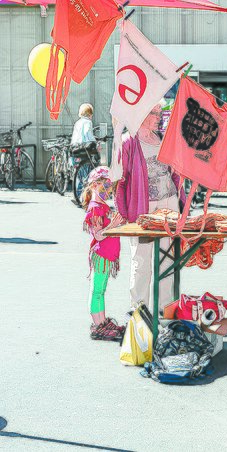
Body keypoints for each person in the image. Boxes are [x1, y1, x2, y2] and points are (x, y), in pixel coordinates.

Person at [115, 103, 186, 311]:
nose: (158, 117)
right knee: (142, 257)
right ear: (143, 114)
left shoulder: (163, 140)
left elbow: (174, 174)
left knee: (168, 256)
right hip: (143, 208)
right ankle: (139, 306)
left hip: (169, 203)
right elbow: (121, 180)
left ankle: (167, 306)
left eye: (159, 113)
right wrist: (123, 212)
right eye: (154, 112)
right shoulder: (129, 142)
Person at [81, 166, 125, 341]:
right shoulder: (95, 208)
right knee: (97, 291)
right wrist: (113, 225)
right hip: (101, 256)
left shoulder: (102, 206)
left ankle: (102, 321)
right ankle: (98, 325)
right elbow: (98, 235)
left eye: (109, 186)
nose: (107, 190)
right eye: (104, 186)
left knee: (101, 290)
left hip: (107, 257)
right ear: (93, 186)